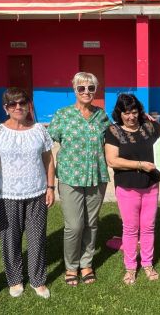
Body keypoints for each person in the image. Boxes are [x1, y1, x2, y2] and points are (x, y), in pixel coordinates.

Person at [47, 72, 109, 286]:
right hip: (70, 177)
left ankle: (87, 263)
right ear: (74, 89)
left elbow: (117, 135)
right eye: (81, 88)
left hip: (97, 176)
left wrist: (147, 121)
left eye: (90, 88)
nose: (86, 92)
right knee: (74, 225)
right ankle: (71, 266)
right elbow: (46, 144)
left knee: (91, 224)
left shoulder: (101, 116)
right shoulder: (62, 115)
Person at [0, 88, 55, 299]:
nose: (18, 107)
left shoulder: (39, 130)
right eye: (12, 104)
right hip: (7, 193)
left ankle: (38, 280)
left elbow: (48, 159)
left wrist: (50, 187)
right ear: (5, 108)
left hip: (37, 192)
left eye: (22, 103)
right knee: (10, 238)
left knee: (37, 238)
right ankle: (15, 280)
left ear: (29, 105)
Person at [104, 94, 160, 285]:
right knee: (131, 228)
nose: (131, 117)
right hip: (127, 187)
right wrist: (140, 164)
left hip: (150, 185)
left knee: (148, 227)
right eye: (126, 113)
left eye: (134, 112)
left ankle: (148, 264)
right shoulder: (113, 131)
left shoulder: (149, 127)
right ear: (120, 113)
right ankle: (131, 267)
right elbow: (112, 160)